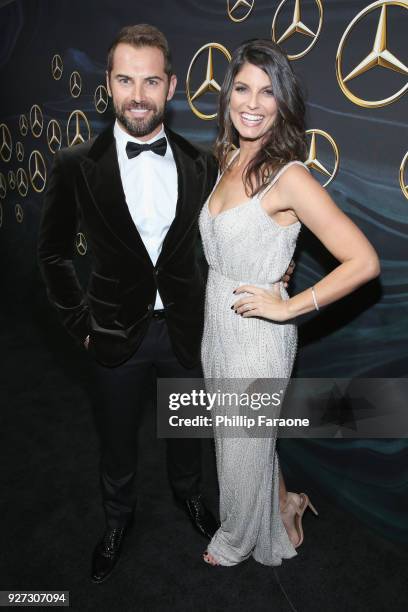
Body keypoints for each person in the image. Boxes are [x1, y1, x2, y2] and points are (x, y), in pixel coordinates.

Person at [37, 24, 223, 584]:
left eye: (149, 81)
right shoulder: (76, 164)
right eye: (124, 80)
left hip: (186, 332)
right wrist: (83, 329)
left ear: (169, 87)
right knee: (116, 442)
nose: (137, 94)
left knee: (186, 432)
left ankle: (188, 496)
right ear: (109, 87)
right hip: (113, 333)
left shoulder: (201, 163)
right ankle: (118, 521)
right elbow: (52, 255)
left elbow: (221, 244)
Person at [198, 39, 380, 566]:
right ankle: (286, 501)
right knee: (246, 440)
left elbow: (363, 262)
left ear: (284, 102)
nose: (253, 103)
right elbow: (249, 238)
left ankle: (236, 540)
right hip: (219, 318)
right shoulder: (230, 155)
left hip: (257, 337)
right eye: (242, 88)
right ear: (228, 94)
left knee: (240, 445)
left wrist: (287, 305)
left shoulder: (290, 175)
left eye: (268, 92)